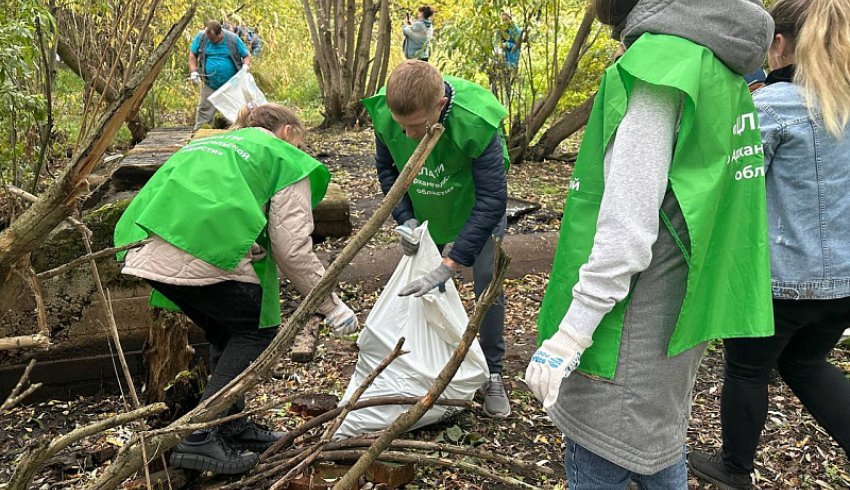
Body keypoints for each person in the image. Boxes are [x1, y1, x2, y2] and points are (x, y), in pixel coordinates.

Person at [524, 0, 775, 487]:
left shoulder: (660, 67)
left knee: (607, 451)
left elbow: (628, 229)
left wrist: (571, 334)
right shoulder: (717, 63)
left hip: (625, 336)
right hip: (676, 320)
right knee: (658, 451)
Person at [113, 103, 359, 474]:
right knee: (256, 330)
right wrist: (332, 305)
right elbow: (291, 249)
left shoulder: (213, 145)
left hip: (143, 247)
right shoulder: (284, 157)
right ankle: (198, 437)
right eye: (302, 141)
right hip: (193, 252)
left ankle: (232, 424)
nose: (303, 149)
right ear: (289, 133)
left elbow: (203, 203)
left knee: (227, 329)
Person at [688, 0, 850, 487]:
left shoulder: (772, 107)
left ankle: (735, 469)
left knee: (746, 370)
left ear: (778, 44)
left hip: (783, 280)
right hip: (844, 283)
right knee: (804, 360)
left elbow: (729, 182)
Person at [362, 60, 511, 418]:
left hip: (473, 209)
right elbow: (388, 170)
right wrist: (406, 219)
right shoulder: (386, 112)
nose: (409, 136)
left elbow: (493, 199)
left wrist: (452, 261)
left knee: (487, 285)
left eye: (416, 127)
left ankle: (493, 373)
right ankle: (442, 363)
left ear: (441, 104)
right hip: (427, 207)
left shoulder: (476, 121)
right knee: (430, 289)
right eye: (403, 128)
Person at [189, 20, 252, 131]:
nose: (211, 41)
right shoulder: (202, 37)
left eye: (213, 39)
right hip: (210, 83)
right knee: (204, 109)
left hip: (231, 85)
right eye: (209, 38)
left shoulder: (232, 39)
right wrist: (193, 71)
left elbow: (246, 56)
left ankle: (236, 131)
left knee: (235, 110)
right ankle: (199, 133)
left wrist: (245, 67)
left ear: (220, 34)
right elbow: (193, 54)